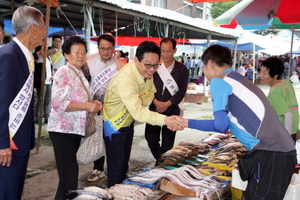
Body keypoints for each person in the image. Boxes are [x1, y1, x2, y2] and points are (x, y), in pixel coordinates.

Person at [176, 45, 296, 200]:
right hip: (281, 152)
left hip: (270, 153)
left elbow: (221, 126)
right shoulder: (238, 78)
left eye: (204, 67)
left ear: (210, 64)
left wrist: (185, 122)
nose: (204, 72)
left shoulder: (219, 81)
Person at [103, 41, 184, 187]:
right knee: (116, 166)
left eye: (155, 65)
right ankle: (114, 193)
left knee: (123, 165)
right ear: (136, 60)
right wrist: (166, 120)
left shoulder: (146, 71)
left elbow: (149, 95)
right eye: (148, 65)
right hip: (114, 124)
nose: (152, 70)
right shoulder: (126, 79)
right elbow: (140, 112)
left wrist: (139, 99)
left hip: (127, 121)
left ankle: (121, 193)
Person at [47, 36, 102, 200]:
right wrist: (86, 106)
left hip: (74, 130)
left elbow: (78, 98)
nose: (81, 55)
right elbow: (57, 104)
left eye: (83, 52)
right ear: (66, 54)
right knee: (69, 177)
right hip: (62, 131)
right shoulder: (64, 72)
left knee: (68, 177)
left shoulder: (78, 72)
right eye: (76, 51)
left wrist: (92, 103)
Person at [0, 6, 45, 200]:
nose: (45, 32)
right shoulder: (9, 56)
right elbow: (1, 104)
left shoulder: (27, 56)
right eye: (43, 27)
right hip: (8, 145)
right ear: (34, 29)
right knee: (7, 193)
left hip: (21, 141)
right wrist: (2, 144)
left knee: (15, 191)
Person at [82, 34, 125, 182]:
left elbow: (127, 77)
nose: (105, 52)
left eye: (108, 48)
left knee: (113, 139)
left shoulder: (119, 63)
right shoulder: (90, 63)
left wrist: (118, 60)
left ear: (114, 48)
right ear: (98, 48)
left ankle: (117, 168)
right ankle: (98, 169)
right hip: (97, 107)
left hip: (115, 109)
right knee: (98, 138)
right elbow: (85, 83)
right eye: (102, 48)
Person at [145, 38, 188, 163]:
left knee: (167, 144)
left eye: (168, 51)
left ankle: (162, 165)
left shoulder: (181, 69)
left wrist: (168, 103)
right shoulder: (155, 66)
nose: (164, 54)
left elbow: (181, 91)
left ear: (174, 50)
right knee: (151, 138)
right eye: (162, 51)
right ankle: (161, 161)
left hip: (172, 110)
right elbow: (147, 86)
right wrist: (156, 102)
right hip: (154, 109)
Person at [260, 57, 299, 142]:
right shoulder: (286, 82)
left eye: (265, 73)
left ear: (275, 75)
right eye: (261, 71)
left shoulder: (275, 91)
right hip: (293, 128)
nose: (261, 75)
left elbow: (287, 115)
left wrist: (286, 140)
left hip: (284, 132)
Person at [33, 45, 53, 125]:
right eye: (43, 49)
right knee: (40, 100)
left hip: (49, 81)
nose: (45, 51)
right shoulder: (39, 57)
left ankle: (47, 117)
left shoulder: (48, 58)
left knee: (48, 100)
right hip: (42, 81)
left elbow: (50, 68)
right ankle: (37, 117)